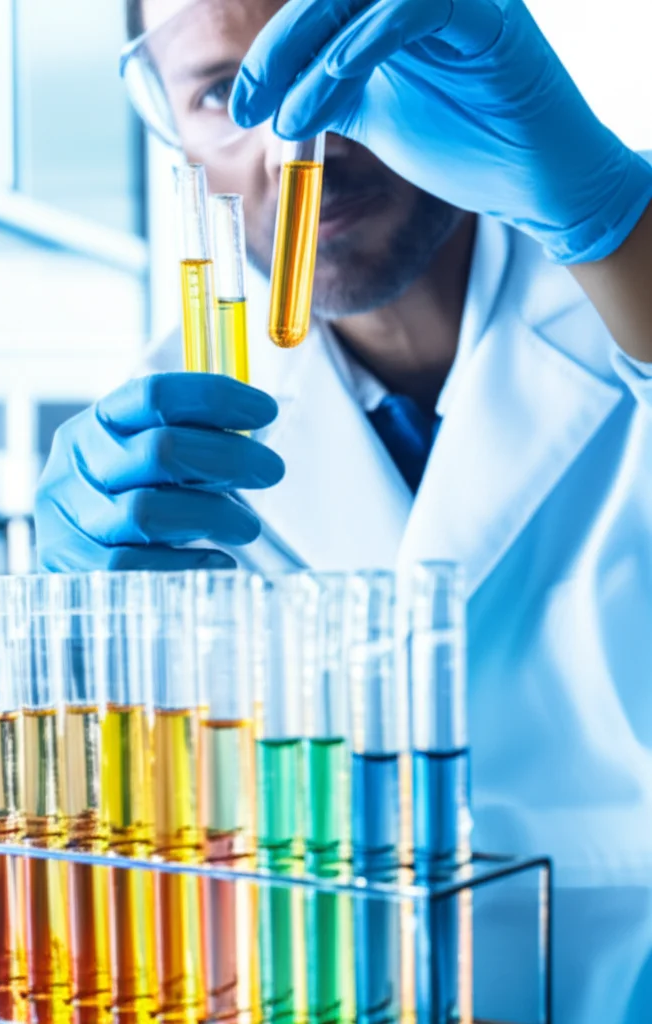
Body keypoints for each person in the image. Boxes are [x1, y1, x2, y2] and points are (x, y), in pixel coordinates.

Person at [35, 1, 652, 1020]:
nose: (294, 142)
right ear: (175, 133)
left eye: (343, 65)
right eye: (220, 94)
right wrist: (83, 639)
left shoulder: (623, 262)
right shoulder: (155, 454)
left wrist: (620, 227)